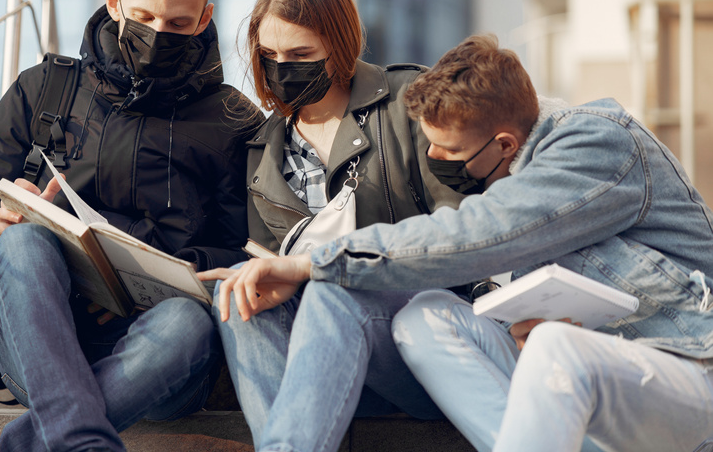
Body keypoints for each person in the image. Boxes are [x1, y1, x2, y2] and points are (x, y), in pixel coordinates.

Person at [215, 34, 713, 452]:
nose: (432, 157)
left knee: (560, 348)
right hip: (595, 390)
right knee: (424, 317)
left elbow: (473, 234)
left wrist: (306, 265)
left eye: (448, 149)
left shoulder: (596, 144)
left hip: (689, 370)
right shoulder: (514, 176)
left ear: (503, 145)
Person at [0, 0, 260, 452]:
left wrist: (156, 275)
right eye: (144, 16)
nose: (159, 32)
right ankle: (81, 441)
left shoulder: (233, 121)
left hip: (160, 358)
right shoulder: (45, 88)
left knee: (185, 323)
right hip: (33, 340)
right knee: (22, 242)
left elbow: (248, 252)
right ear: (113, 2)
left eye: (178, 23)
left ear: (204, 18)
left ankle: (52, 440)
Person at [198, 0, 468, 451]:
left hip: (418, 348)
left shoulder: (407, 102)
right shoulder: (263, 153)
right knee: (239, 294)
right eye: (269, 55)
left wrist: (321, 272)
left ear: (339, 46)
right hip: (316, 369)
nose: (282, 68)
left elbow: (462, 232)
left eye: (300, 54)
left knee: (333, 290)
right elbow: (267, 263)